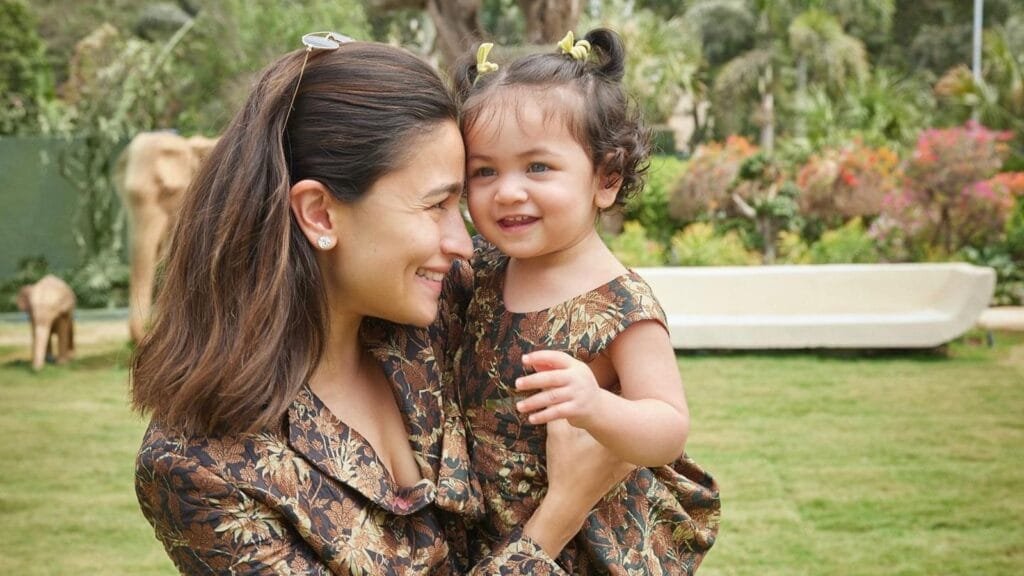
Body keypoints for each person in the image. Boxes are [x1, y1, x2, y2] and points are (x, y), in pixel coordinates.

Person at [130, 32, 632, 575]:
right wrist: (561, 512)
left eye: (460, 202)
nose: (463, 243)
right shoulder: (199, 468)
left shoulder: (460, 303)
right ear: (320, 214)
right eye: (436, 205)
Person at [451, 29, 721, 573]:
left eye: (538, 167)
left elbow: (668, 427)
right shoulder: (482, 268)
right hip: (497, 528)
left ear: (606, 179)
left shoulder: (621, 303)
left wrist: (597, 406)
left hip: (589, 540)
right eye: (484, 171)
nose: (507, 191)